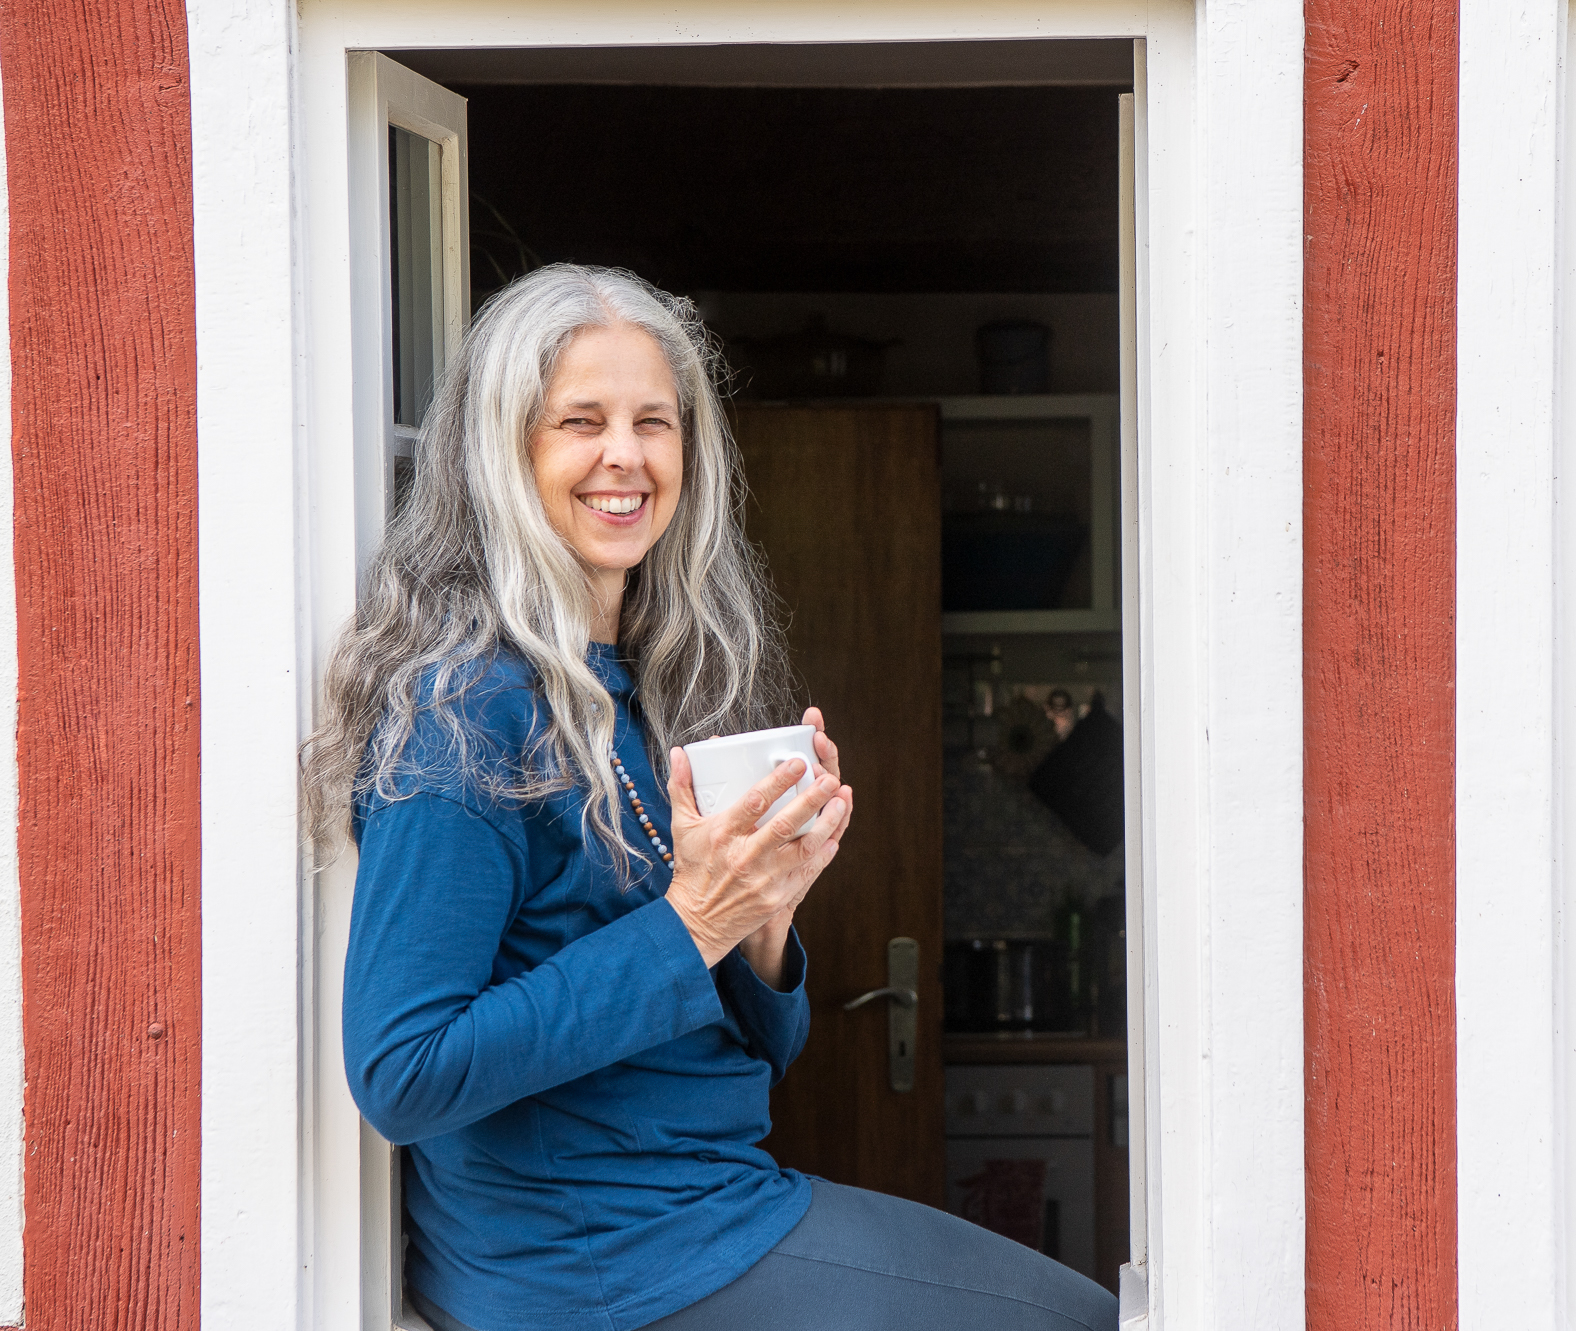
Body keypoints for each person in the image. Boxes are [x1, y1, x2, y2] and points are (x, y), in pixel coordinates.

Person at [302, 265, 1118, 1331]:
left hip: (710, 1209)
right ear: (501, 453)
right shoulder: (460, 713)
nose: (625, 456)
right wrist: (698, 917)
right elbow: (403, 1072)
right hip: (598, 1265)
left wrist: (765, 912)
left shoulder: (637, 680)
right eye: (578, 422)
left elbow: (757, 1050)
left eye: (654, 421)